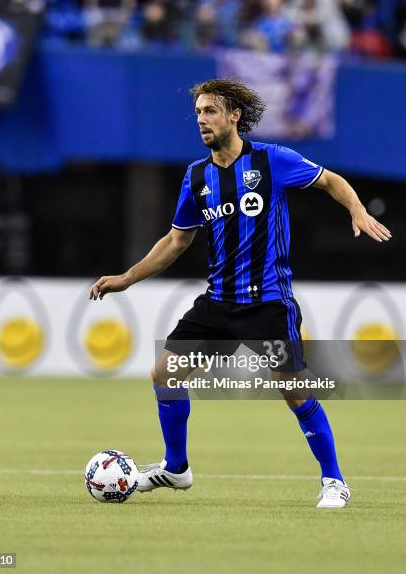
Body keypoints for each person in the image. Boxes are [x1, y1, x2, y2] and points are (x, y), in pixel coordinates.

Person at [88, 78, 392, 508]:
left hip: (268, 303)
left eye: (210, 111)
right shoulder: (197, 177)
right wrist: (127, 278)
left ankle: (334, 481)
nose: (202, 120)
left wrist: (357, 209)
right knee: (165, 375)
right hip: (218, 305)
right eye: (197, 113)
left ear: (234, 116)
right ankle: (177, 469)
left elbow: (331, 180)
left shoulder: (272, 161)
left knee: (295, 392)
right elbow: (177, 240)